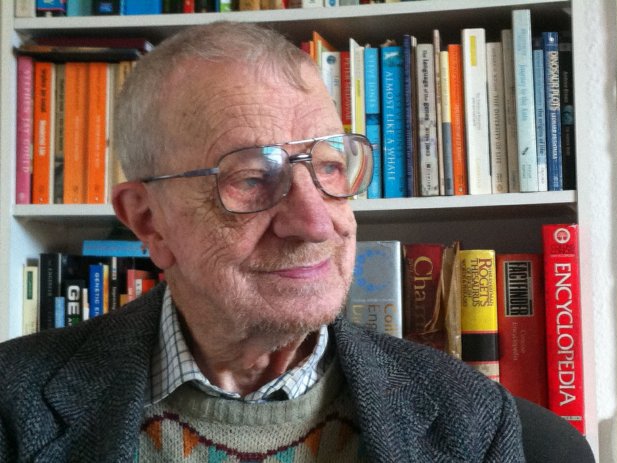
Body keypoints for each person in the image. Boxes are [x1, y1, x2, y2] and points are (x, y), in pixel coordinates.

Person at [0, 21, 526, 462]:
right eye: (251, 179)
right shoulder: (11, 404)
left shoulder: (471, 417)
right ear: (148, 220)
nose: (316, 224)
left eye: (330, 167)